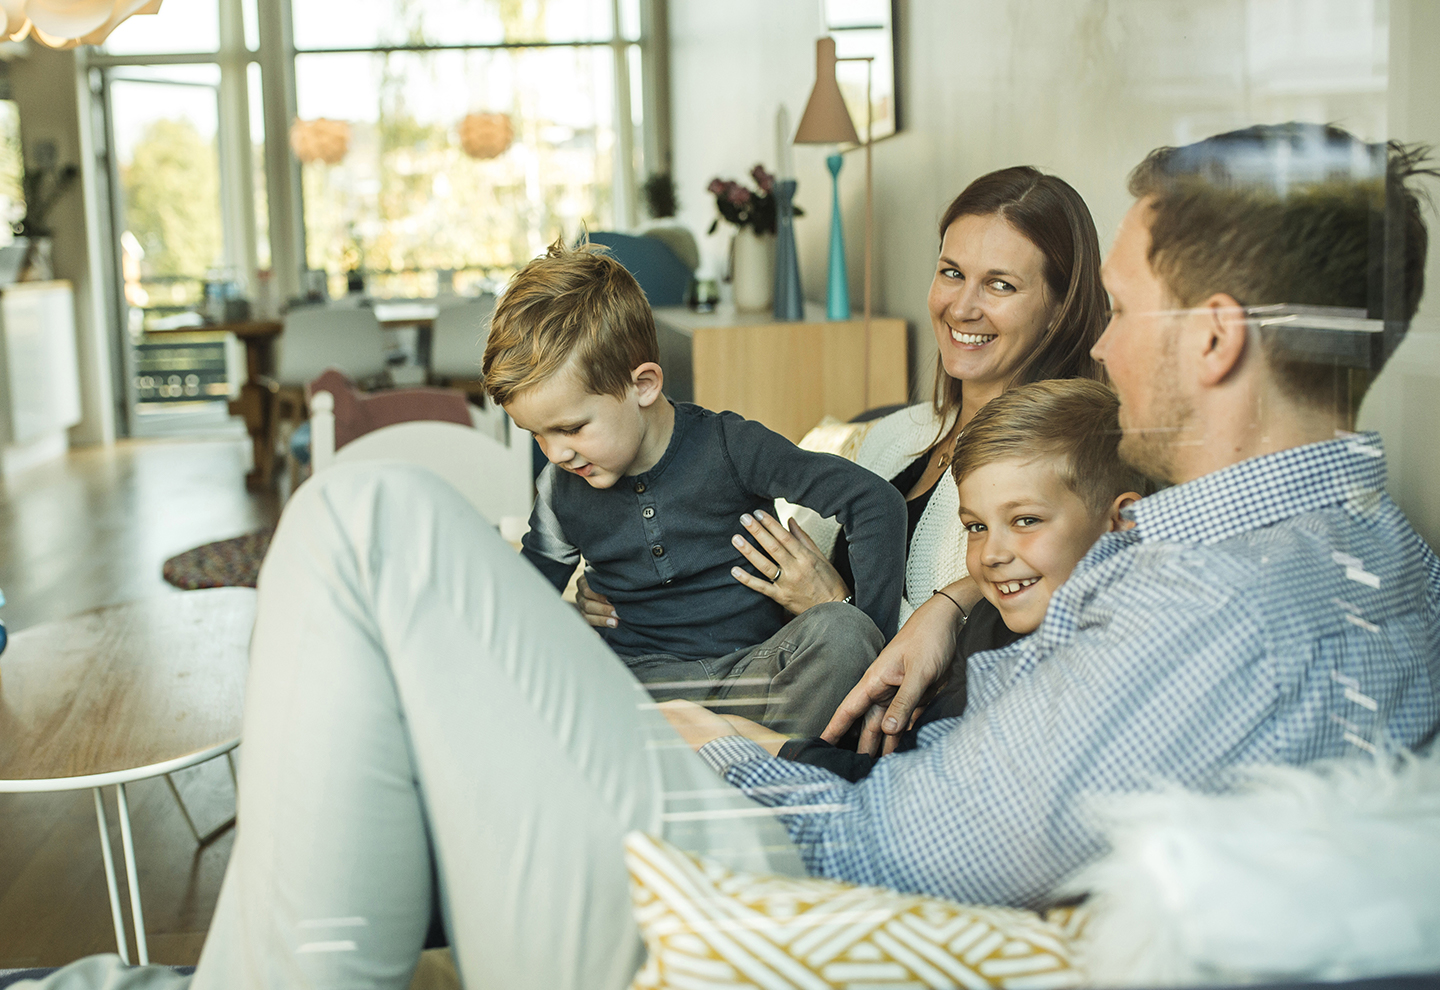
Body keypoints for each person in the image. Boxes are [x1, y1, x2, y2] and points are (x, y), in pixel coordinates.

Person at [31, 125, 1439, 990]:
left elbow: (915, 847)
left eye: (1120, 307)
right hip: (809, 805)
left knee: (371, 527)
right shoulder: (1294, 547)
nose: (1102, 340)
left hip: (787, 872)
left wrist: (704, 741)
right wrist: (946, 607)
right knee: (386, 575)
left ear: (1214, 335)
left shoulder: (1249, 608)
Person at [654, 166, 1111, 640]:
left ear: (1061, 309)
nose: (962, 307)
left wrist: (835, 607)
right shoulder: (896, 432)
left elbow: (976, 661)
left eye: (1000, 285)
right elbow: (784, 552)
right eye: (952, 273)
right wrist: (634, 588)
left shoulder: (1052, 477)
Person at [482, 240, 906, 735]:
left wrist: (880, 647)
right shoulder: (562, 488)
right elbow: (521, 600)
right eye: (537, 434)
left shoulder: (732, 446)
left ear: (643, 386)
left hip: (758, 674)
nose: (555, 453)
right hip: (640, 690)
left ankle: (755, 762)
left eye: (572, 428)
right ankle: (744, 763)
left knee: (844, 631)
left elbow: (874, 503)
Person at [774, 378, 1145, 781]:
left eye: (1026, 520)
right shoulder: (986, 625)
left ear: (1125, 520)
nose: (991, 555)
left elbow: (915, 795)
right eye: (976, 526)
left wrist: (746, 744)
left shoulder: (1095, 659)